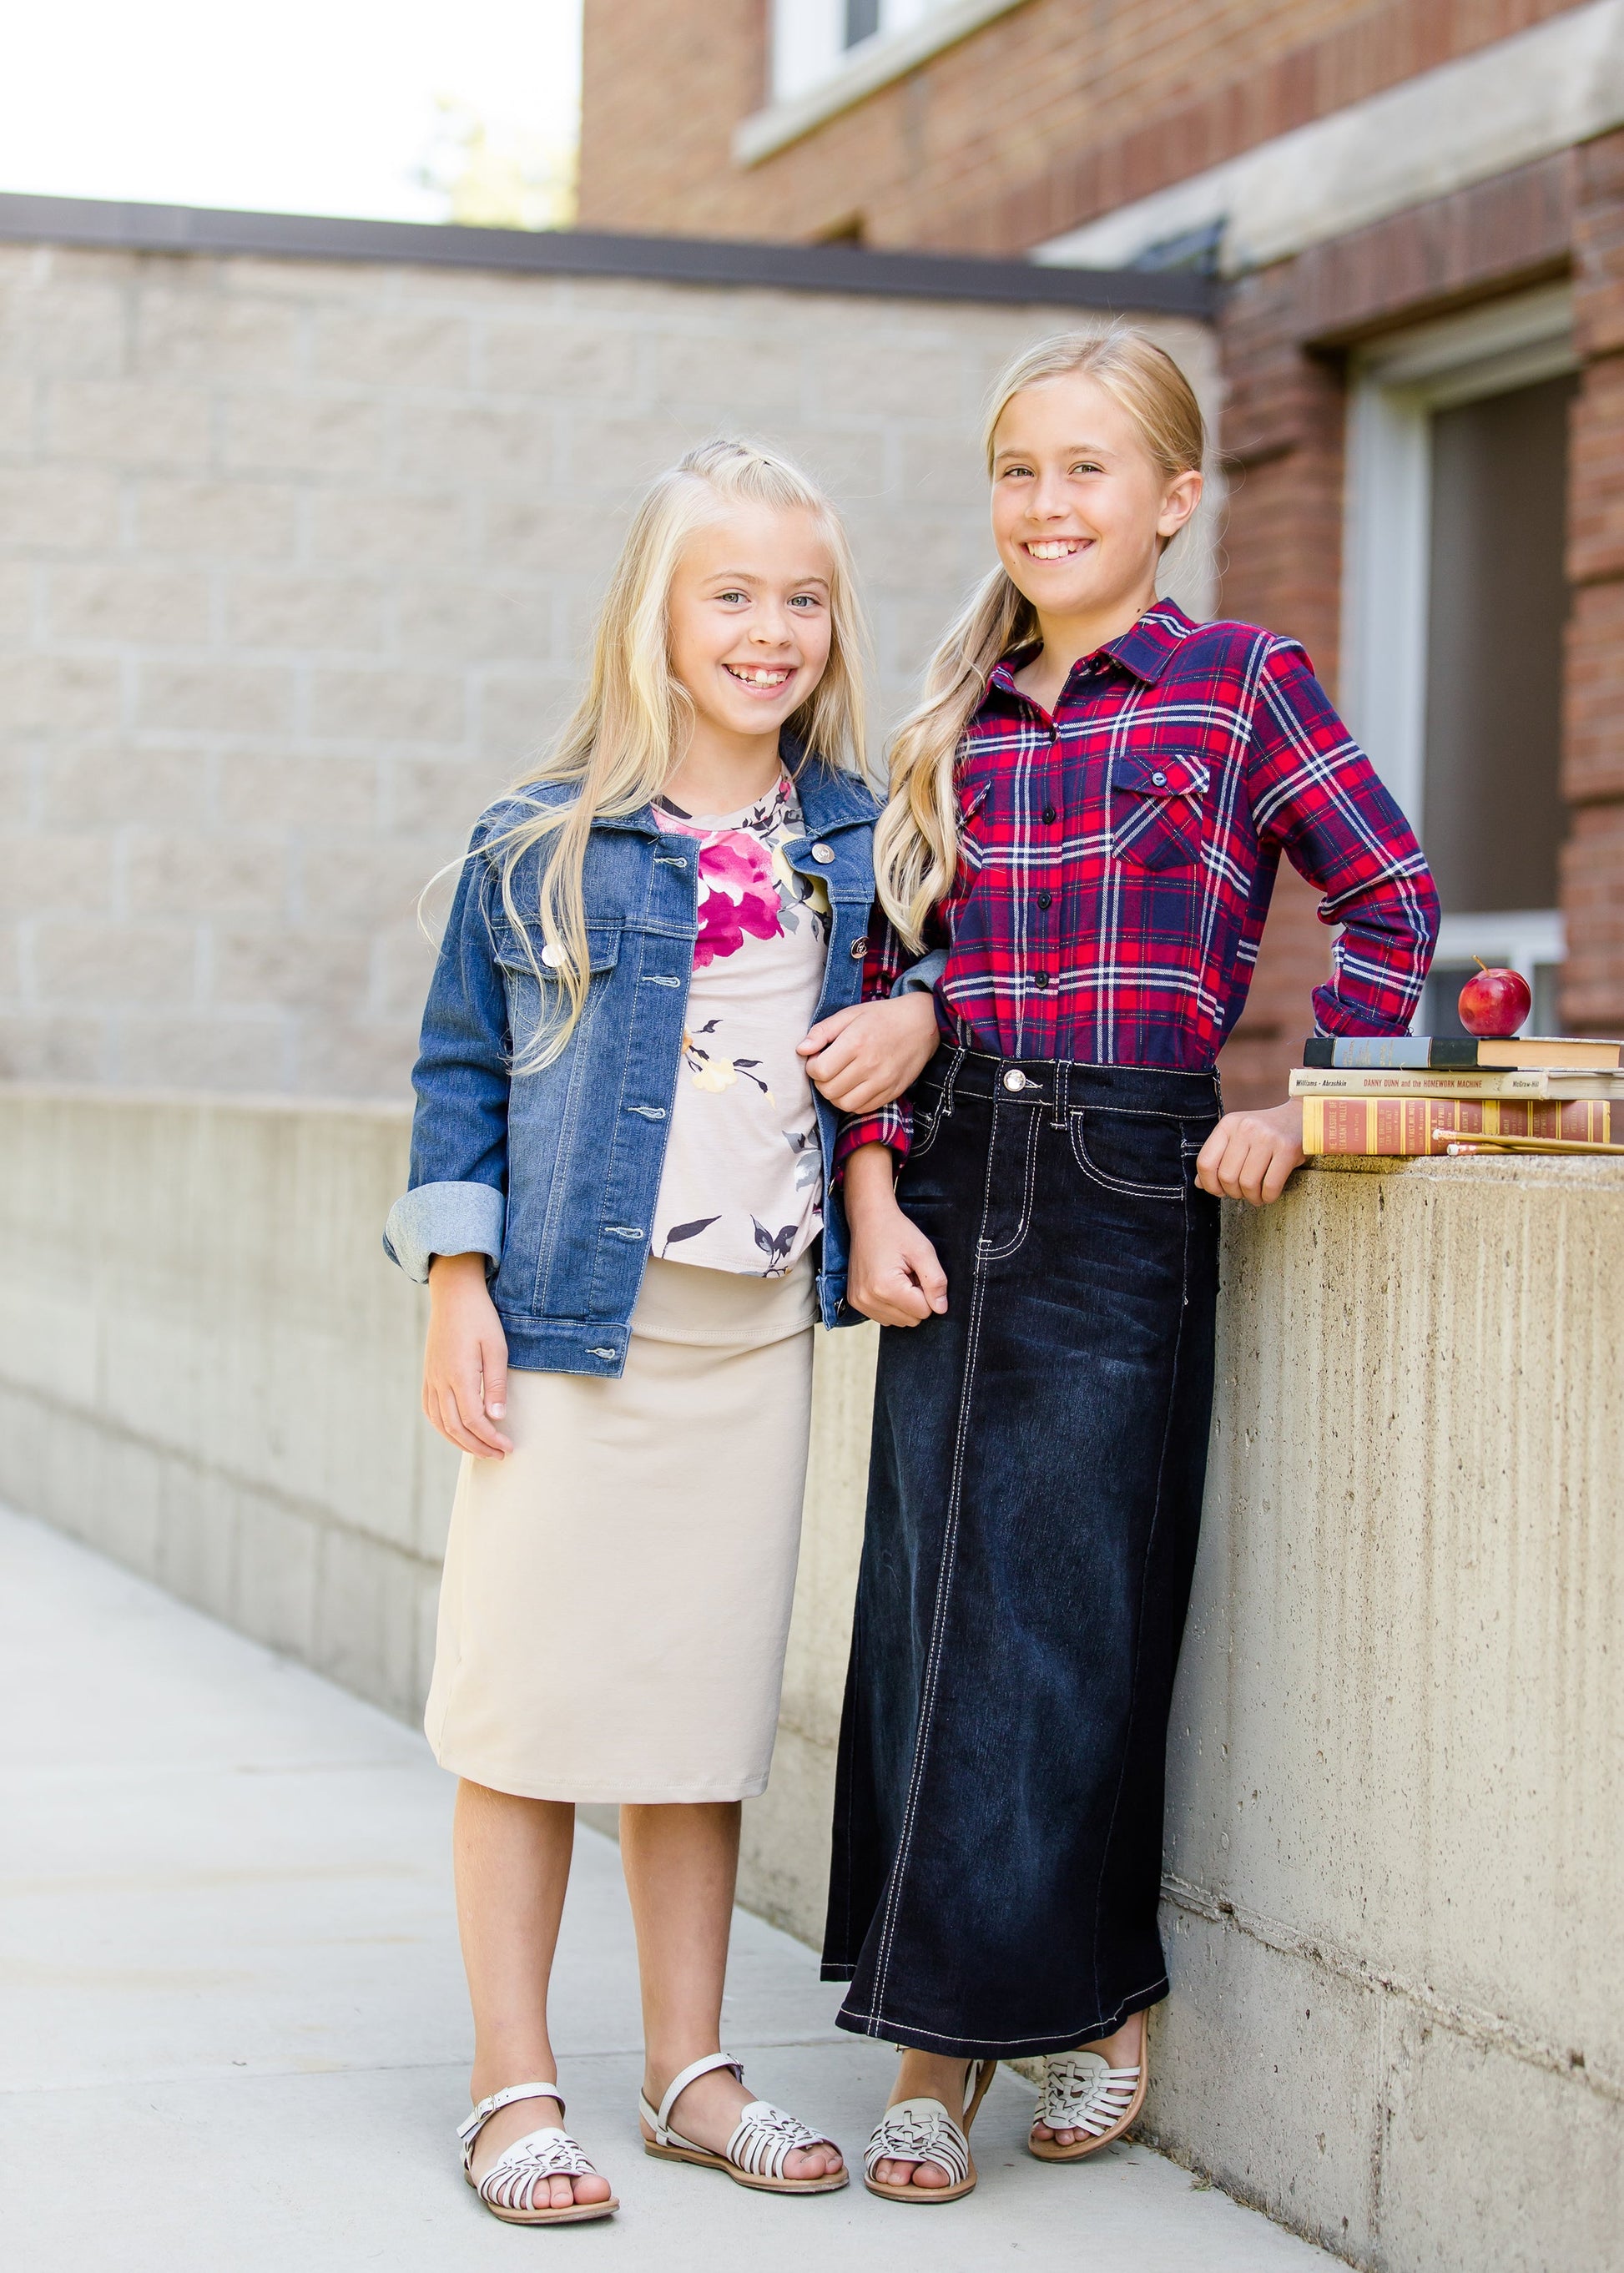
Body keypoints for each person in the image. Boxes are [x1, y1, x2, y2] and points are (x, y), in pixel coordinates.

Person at [819, 329, 1439, 2203]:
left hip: (1127, 1173)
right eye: (1019, 469)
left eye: (1088, 470)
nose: (1046, 505)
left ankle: (1070, 2004)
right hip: (949, 1169)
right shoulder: (954, 714)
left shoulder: (1240, 687)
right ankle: (936, 2047)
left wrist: (1309, 1100)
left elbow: (1389, 890)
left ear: (1175, 499)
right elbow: (879, 978)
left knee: (1070, 1612)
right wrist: (868, 1193)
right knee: (926, 1613)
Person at [384, 439, 940, 2225]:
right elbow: (458, 1074)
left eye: (801, 595)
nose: (769, 628)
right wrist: (454, 1285)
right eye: (732, 592)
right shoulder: (538, 841)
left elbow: (925, 1005)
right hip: (561, 1329)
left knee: (694, 1725)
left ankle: (689, 2070)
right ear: (658, 612)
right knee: (527, 1709)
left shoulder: (861, 834)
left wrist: (916, 1024)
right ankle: (510, 2084)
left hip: (745, 1343)